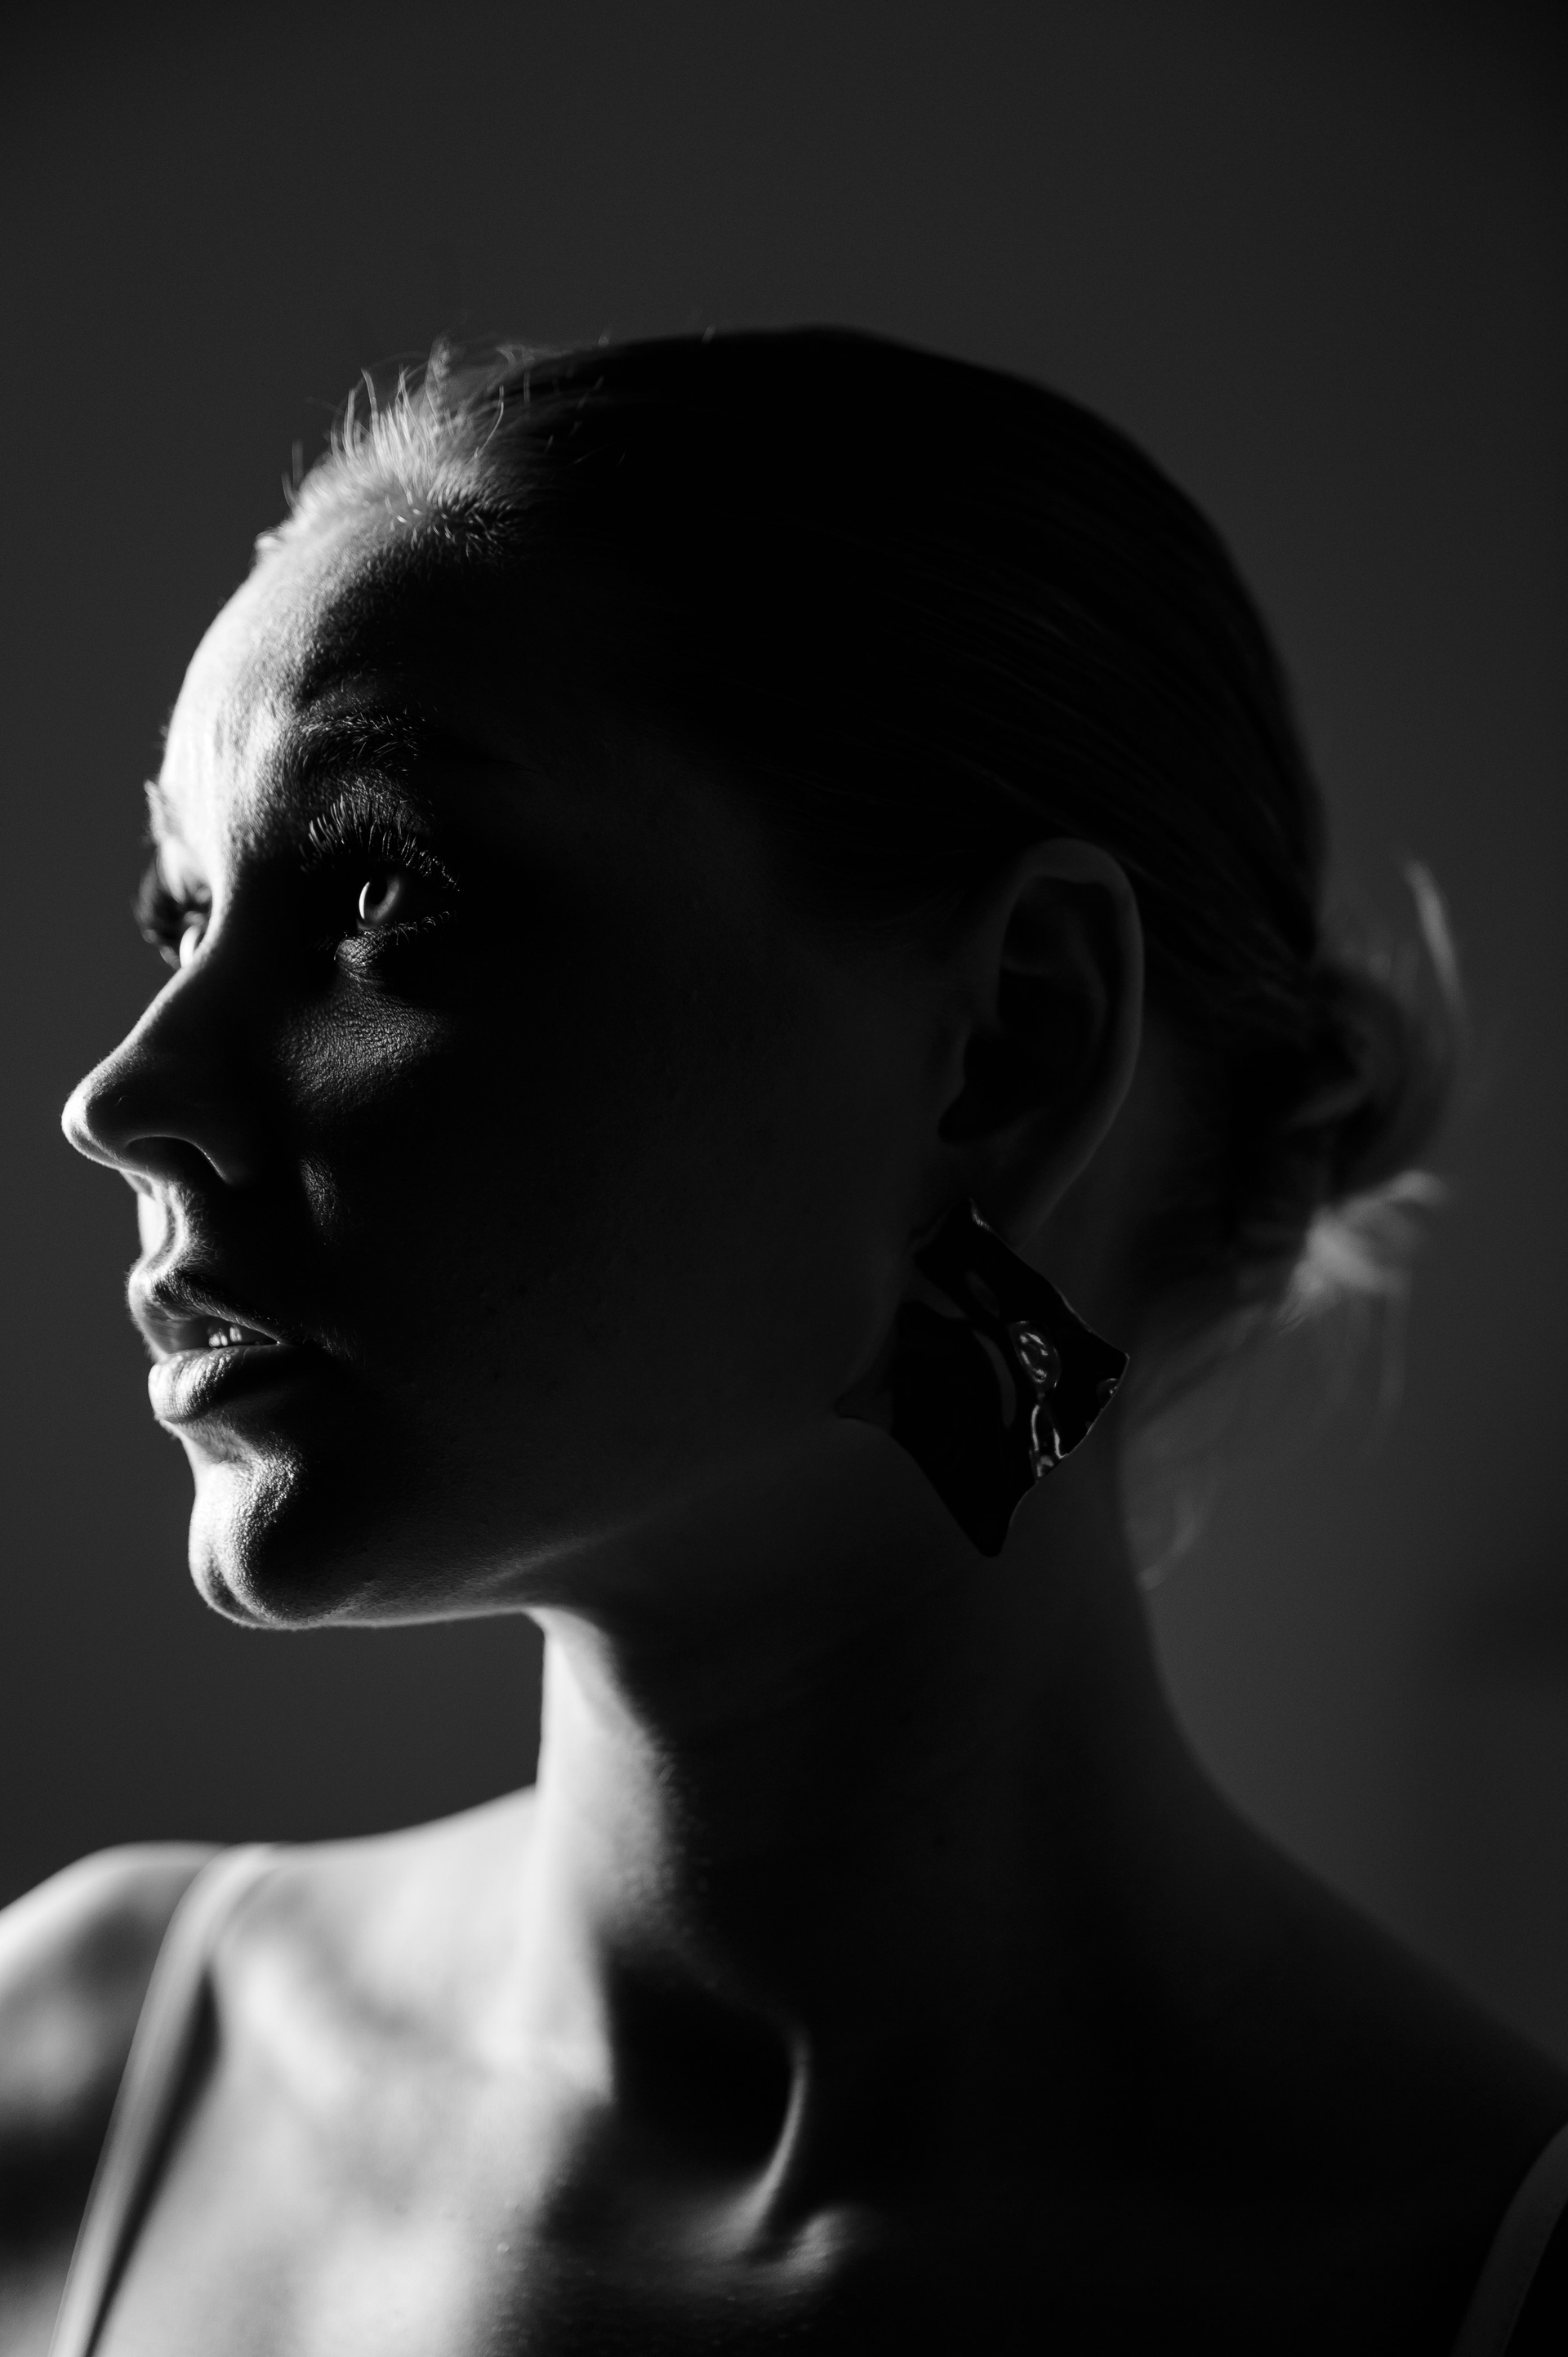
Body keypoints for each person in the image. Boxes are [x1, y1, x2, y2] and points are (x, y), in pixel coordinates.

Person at [0, 328, 1562, 2355]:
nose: (119, 1098)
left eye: (385, 884)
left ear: (1009, 1048)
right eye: (182, 913)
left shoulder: (1464, 2279)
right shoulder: (82, 2077)